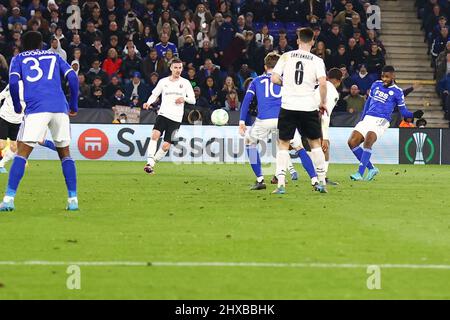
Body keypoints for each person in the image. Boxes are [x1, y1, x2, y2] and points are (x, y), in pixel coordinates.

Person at [0, 31, 79, 211]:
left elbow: (13, 83)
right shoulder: (53, 55)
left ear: (22, 45)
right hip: (60, 107)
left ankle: (8, 199)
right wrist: (73, 104)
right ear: (41, 44)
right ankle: (73, 200)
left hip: (36, 108)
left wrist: (18, 108)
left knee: (22, 153)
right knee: (65, 154)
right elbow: (73, 77)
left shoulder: (18, 59)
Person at [271, 27, 328, 194]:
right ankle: (321, 182)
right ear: (312, 42)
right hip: (308, 106)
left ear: (297, 40)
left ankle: (281, 183)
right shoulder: (317, 61)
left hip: (288, 105)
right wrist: (322, 102)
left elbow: (274, 78)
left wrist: (285, 84)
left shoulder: (286, 56)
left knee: (283, 144)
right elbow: (323, 83)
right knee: (314, 143)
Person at [347, 65, 424, 181]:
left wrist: (413, 115)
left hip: (382, 120)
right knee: (352, 142)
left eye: (387, 77)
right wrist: (362, 118)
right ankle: (372, 168)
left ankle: (359, 173)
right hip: (368, 118)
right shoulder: (376, 84)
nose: (384, 79)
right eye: (383, 76)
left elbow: (403, 111)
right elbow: (368, 103)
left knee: (368, 140)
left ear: (393, 76)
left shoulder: (397, 92)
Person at [239, 53, 302, 191]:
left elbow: (246, 101)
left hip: (264, 119)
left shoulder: (256, 81)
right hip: (284, 118)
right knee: (292, 147)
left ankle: (260, 179)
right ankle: (315, 180)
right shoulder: (287, 81)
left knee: (250, 143)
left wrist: (242, 121)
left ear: (264, 66)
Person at [143, 58, 195, 174]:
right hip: (163, 114)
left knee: (166, 146)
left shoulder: (185, 83)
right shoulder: (163, 82)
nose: (178, 70)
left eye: (180, 68)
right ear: (171, 68)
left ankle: (152, 163)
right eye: (175, 67)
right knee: (155, 135)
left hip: (176, 118)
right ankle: (149, 162)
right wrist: (148, 102)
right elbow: (154, 94)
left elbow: (193, 100)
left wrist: (184, 98)